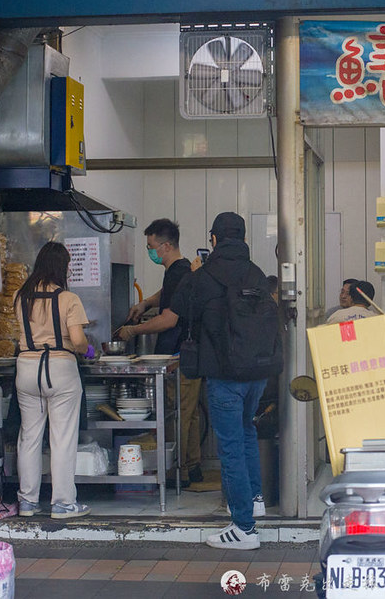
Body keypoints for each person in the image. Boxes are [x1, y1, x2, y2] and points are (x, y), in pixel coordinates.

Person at [169, 211, 276, 550]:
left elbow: (179, 310)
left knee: (230, 448)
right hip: (256, 374)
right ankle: (254, 500)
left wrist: (194, 274)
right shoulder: (256, 273)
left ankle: (244, 528)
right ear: (243, 238)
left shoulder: (205, 275)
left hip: (224, 375)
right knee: (246, 433)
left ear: (214, 239)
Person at [118, 218, 202, 486]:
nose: (149, 251)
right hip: (186, 355)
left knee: (179, 414)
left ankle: (179, 473)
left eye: (150, 247)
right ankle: (193, 468)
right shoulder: (180, 270)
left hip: (179, 355)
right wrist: (145, 303)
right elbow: (167, 293)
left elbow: (168, 319)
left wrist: (133, 330)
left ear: (165, 246)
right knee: (189, 412)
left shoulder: (179, 272)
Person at [14, 241, 91, 519]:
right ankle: (63, 503)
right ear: (62, 267)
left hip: (26, 368)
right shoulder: (68, 299)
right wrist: (87, 349)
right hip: (60, 369)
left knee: (29, 437)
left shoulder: (20, 296)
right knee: (62, 438)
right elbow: (78, 341)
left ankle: (27, 501)